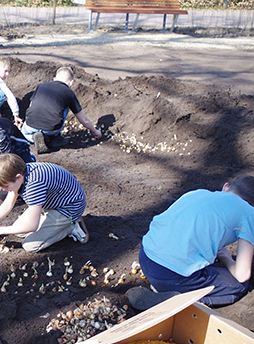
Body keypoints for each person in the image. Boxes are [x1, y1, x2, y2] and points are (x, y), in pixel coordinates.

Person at [128, 176, 254, 310]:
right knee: (237, 285)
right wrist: (226, 258)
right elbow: (242, 275)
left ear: (226, 187)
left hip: (146, 257)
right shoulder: (249, 213)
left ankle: (161, 288)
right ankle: (172, 299)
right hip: (172, 275)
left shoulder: (198, 193)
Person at [0, 153, 89, 253]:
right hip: (52, 202)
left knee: (30, 245)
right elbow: (9, 202)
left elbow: (32, 226)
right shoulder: (23, 172)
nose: (3, 190)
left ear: (18, 177)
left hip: (69, 207)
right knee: (18, 231)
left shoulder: (34, 186)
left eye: (5, 186)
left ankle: (71, 226)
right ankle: (57, 223)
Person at [21, 66, 102, 154]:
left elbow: (31, 105)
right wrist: (95, 131)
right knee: (66, 105)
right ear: (71, 82)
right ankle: (53, 137)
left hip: (30, 125)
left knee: (23, 134)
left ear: (54, 78)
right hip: (51, 128)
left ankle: (33, 138)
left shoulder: (41, 86)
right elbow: (82, 119)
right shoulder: (69, 93)